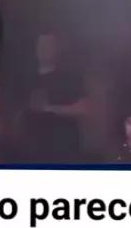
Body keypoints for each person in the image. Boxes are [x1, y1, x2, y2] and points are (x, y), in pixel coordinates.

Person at [21, 31, 88, 163]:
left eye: (49, 45)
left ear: (57, 48)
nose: (44, 49)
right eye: (41, 45)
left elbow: (85, 108)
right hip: (31, 152)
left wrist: (49, 108)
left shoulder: (70, 78)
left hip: (63, 151)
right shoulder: (26, 79)